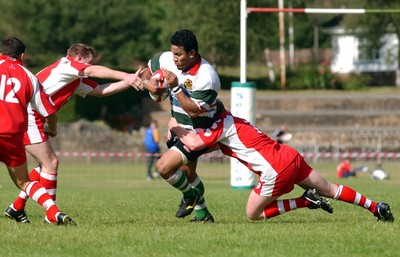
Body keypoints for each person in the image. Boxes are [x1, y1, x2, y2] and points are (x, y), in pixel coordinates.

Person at [4, 42, 162, 223]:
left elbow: (101, 91)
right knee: (51, 163)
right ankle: (51, 215)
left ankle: (17, 207)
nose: (90, 66)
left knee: (44, 165)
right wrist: (125, 75)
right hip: (31, 116)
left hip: (38, 118)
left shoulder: (73, 78)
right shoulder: (66, 65)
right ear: (78, 58)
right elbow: (91, 71)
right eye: (89, 62)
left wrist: (129, 81)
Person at [167, 100, 394, 222]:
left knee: (252, 214)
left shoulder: (218, 127)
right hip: (290, 156)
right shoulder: (232, 120)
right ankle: (376, 207)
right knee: (331, 188)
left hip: (275, 170)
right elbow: (208, 147)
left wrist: (173, 126)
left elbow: (196, 144)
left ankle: (304, 202)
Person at [140, 29, 221, 222]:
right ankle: (203, 214)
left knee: (163, 168)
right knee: (188, 173)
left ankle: (190, 196)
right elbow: (145, 71)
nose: (174, 59)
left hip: (200, 133)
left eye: (179, 54)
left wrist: (175, 87)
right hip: (180, 127)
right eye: (173, 53)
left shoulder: (207, 77)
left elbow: (193, 111)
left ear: (191, 54)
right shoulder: (167, 59)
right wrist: (148, 83)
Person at [0, 36, 75, 225]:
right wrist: (53, 129)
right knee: (24, 182)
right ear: (22, 55)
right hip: (12, 136)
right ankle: (53, 211)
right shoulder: (28, 76)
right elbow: (49, 112)